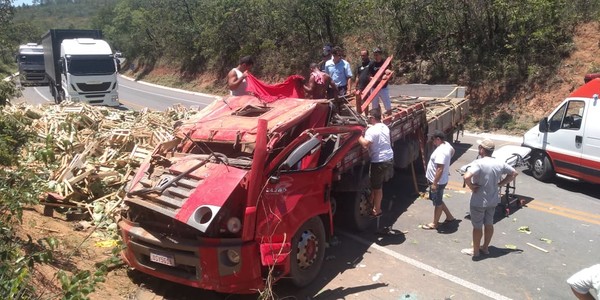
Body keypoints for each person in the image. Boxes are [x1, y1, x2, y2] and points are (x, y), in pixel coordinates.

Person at [462, 138, 518, 259]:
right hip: (493, 200)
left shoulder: (479, 163)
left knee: (477, 227)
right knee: (489, 223)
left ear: (482, 150)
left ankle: (475, 251)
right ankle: (485, 248)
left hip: (479, 201)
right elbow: (514, 173)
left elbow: (466, 176)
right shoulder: (499, 163)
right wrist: (500, 184)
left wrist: (472, 186)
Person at [358, 108, 394, 217]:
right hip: (389, 158)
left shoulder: (371, 131)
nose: (368, 120)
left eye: (369, 118)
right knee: (376, 183)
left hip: (379, 161)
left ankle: (377, 210)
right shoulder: (384, 127)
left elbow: (365, 144)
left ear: (373, 118)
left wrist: (357, 135)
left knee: (377, 188)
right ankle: (372, 200)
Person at [421, 130, 456, 230]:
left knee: (437, 203)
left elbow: (440, 168)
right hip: (440, 179)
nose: (432, 142)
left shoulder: (441, 152)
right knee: (437, 199)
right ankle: (449, 217)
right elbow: (453, 151)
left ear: (438, 139)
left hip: (438, 181)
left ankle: (435, 223)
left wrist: (435, 183)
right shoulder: (447, 145)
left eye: (433, 140)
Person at [369, 47, 393, 115]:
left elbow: (390, 74)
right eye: (374, 55)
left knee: (388, 106)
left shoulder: (385, 62)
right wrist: (380, 79)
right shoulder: (371, 64)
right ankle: (377, 120)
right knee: (375, 107)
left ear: (380, 54)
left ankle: (390, 119)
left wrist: (388, 73)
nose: (375, 57)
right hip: (374, 88)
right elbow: (370, 77)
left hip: (383, 88)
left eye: (377, 55)